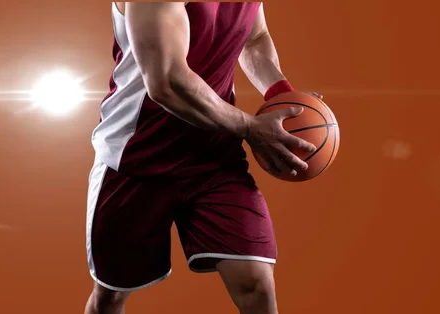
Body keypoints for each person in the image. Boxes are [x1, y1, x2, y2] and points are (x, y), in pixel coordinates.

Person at [85, 2, 318, 314]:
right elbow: (167, 81)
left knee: (257, 285)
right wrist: (251, 127)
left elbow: (255, 37)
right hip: (135, 160)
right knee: (111, 297)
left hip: (214, 158)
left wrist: (281, 95)